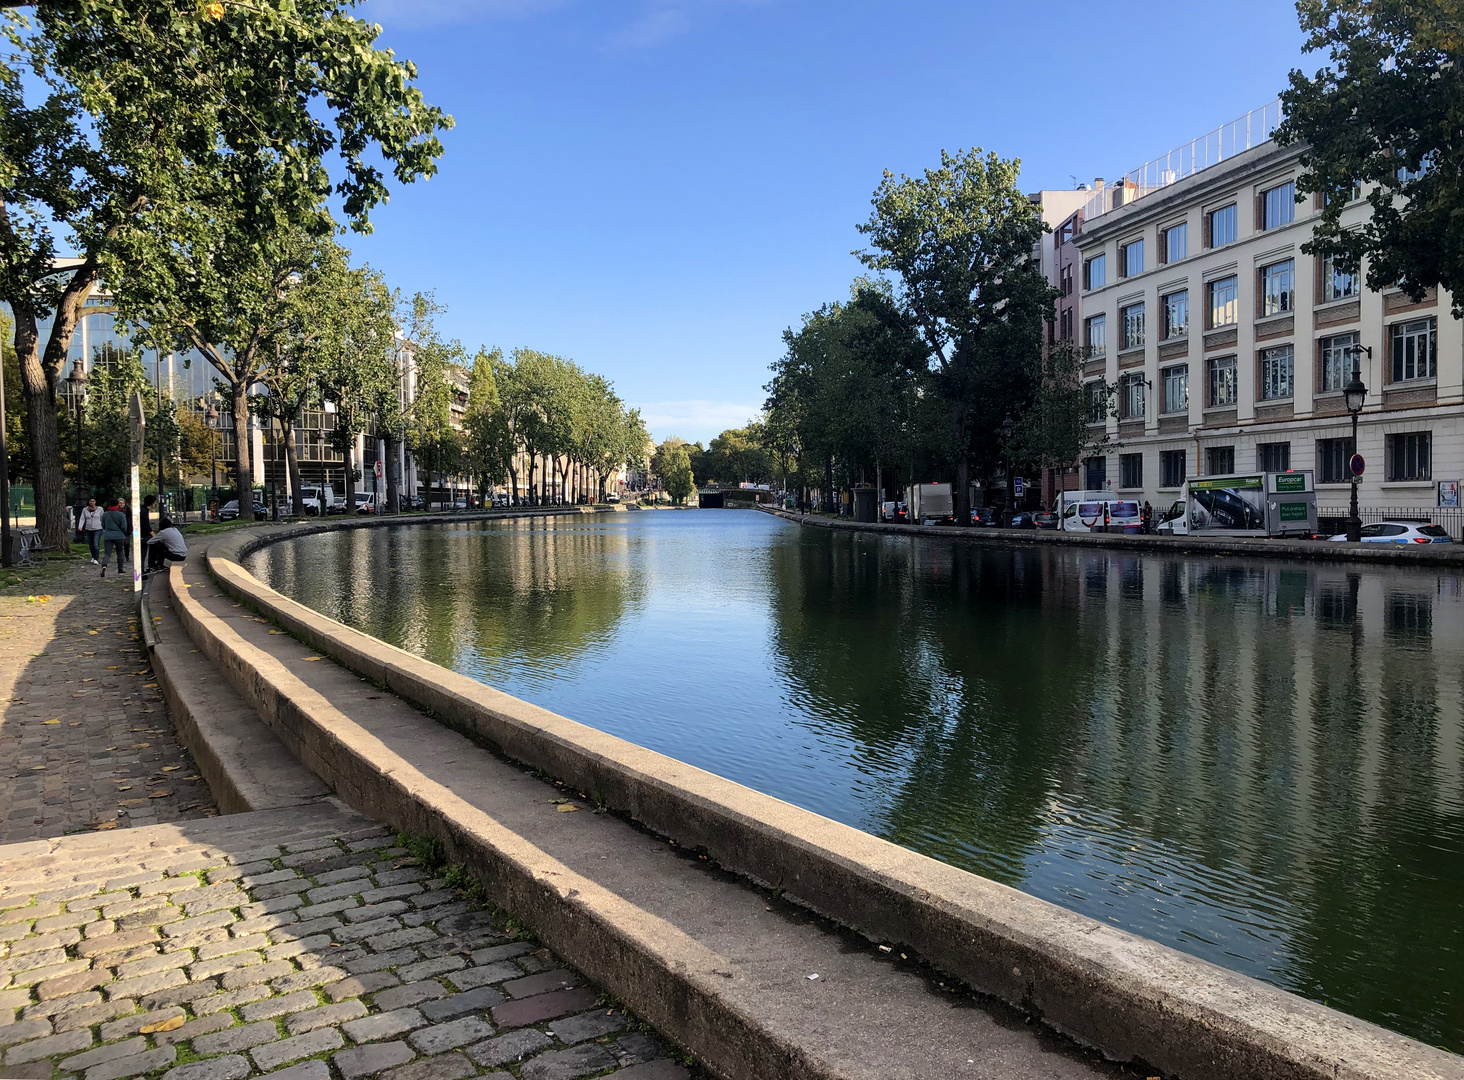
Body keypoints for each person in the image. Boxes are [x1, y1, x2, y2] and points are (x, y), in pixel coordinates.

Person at [100, 498, 128, 578]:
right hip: (119, 535)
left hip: (108, 535)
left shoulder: (105, 514)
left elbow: (103, 525)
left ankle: (104, 565)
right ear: (117, 505)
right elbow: (124, 526)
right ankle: (120, 568)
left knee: (107, 553)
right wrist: (123, 532)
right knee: (120, 552)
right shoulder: (121, 515)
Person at [78, 498, 104, 564]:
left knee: (96, 543)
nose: (92, 502)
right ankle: (93, 556)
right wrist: (80, 526)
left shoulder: (100, 509)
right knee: (91, 544)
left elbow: (102, 518)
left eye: (93, 501)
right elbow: (82, 518)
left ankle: (96, 558)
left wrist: (104, 526)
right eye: (90, 501)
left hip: (98, 528)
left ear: (95, 502)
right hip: (88, 528)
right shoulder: (85, 509)